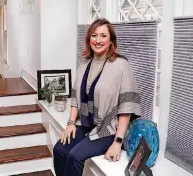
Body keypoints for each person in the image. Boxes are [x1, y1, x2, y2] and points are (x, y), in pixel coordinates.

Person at [53, 18, 141, 176]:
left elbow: (126, 107)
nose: (98, 40)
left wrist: (117, 142)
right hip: (85, 124)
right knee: (59, 149)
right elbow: (75, 98)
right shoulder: (83, 65)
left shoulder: (122, 66)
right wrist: (71, 123)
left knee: (74, 156)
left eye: (103, 36)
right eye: (94, 35)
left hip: (108, 129)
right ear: (89, 39)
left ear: (111, 40)